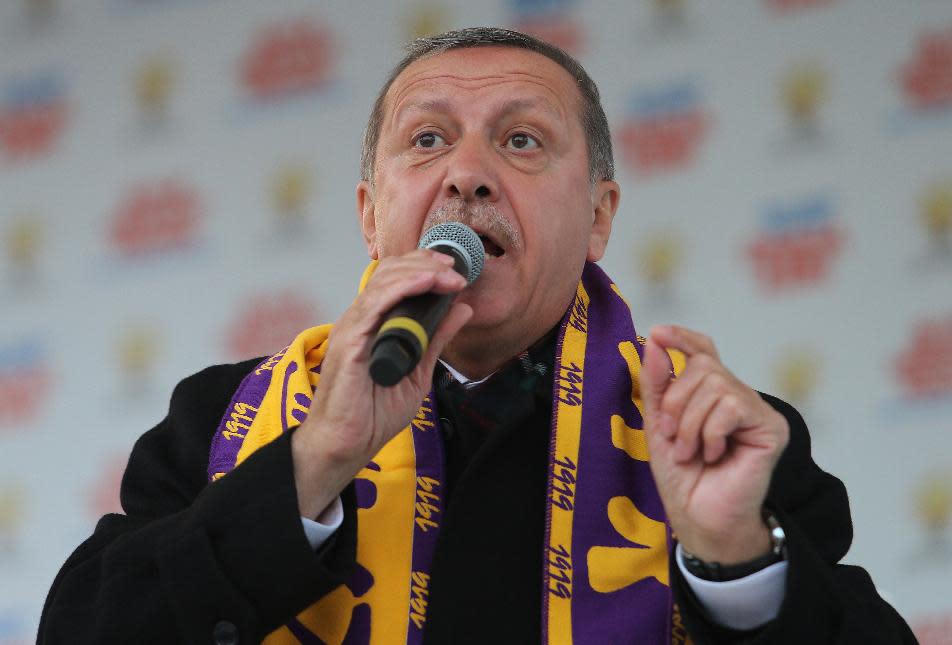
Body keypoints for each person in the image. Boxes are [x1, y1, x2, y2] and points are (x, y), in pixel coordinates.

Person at [39, 27, 915, 645]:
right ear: (371, 213)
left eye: (522, 140)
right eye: (427, 140)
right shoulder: (219, 418)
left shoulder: (721, 440)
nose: (467, 174)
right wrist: (313, 462)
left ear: (600, 218)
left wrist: (733, 561)